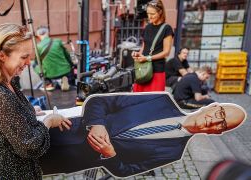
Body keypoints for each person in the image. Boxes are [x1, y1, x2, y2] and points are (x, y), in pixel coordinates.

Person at [40, 92, 246, 178]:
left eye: (223, 124)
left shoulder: (174, 153)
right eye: (220, 113)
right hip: (63, 131)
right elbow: (99, 102)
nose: (216, 120)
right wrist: (97, 124)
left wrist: (110, 154)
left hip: (69, 161)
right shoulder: (161, 100)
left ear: (218, 132)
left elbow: (126, 171)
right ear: (211, 106)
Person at [0, 23, 72, 179]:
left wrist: (28, 111)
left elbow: (8, 123)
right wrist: (49, 121)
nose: (28, 62)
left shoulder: (6, 83)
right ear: (2, 55)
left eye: (29, 56)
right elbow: (30, 145)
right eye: (24, 57)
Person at [132, 0, 173, 92]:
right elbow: (144, 46)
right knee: (138, 100)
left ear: (160, 12)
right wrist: (138, 54)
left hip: (157, 71)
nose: (149, 16)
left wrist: (147, 58)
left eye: (152, 14)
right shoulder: (147, 27)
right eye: (148, 13)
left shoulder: (167, 28)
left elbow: (166, 52)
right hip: (142, 70)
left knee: (154, 101)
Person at [34, 26, 74, 91]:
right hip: (65, 71)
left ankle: (48, 83)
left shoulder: (38, 46)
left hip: (50, 74)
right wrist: (71, 65)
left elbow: (38, 62)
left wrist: (42, 72)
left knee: (34, 64)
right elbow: (67, 55)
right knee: (71, 85)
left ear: (38, 35)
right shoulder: (58, 41)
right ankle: (67, 83)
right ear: (48, 33)